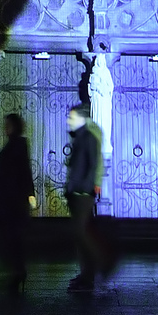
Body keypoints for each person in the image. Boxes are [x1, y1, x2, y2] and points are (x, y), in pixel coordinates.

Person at [0, 113, 37, 294]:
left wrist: (29, 194)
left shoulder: (16, 147)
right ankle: (17, 272)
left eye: (8, 125)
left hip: (11, 201)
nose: (5, 128)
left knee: (12, 238)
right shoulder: (15, 146)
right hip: (9, 200)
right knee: (11, 239)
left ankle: (17, 272)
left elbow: (23, 172)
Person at [64, 103, 106, 293]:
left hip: (83, 192)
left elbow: (93, 163)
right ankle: (86, 274)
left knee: (81, 232)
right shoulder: (80, 137)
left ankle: (97, 265)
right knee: (79, 234)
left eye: (71, 117)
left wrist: (86, 187)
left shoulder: (89, 136)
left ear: (82, 118)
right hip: (76, 191)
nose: (68, 120)